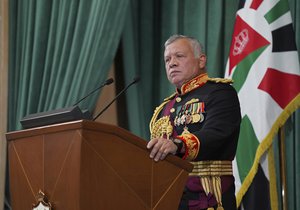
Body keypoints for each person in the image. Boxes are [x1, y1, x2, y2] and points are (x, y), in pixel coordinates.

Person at [147, 34, 241, 210]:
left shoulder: (220, 93)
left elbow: (216, 134)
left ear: (201, 60)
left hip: (208, 197)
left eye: (179, 56)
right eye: (167, 59)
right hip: (168, 199)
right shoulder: (164, 108)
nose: (172, 63)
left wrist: (179, 144)